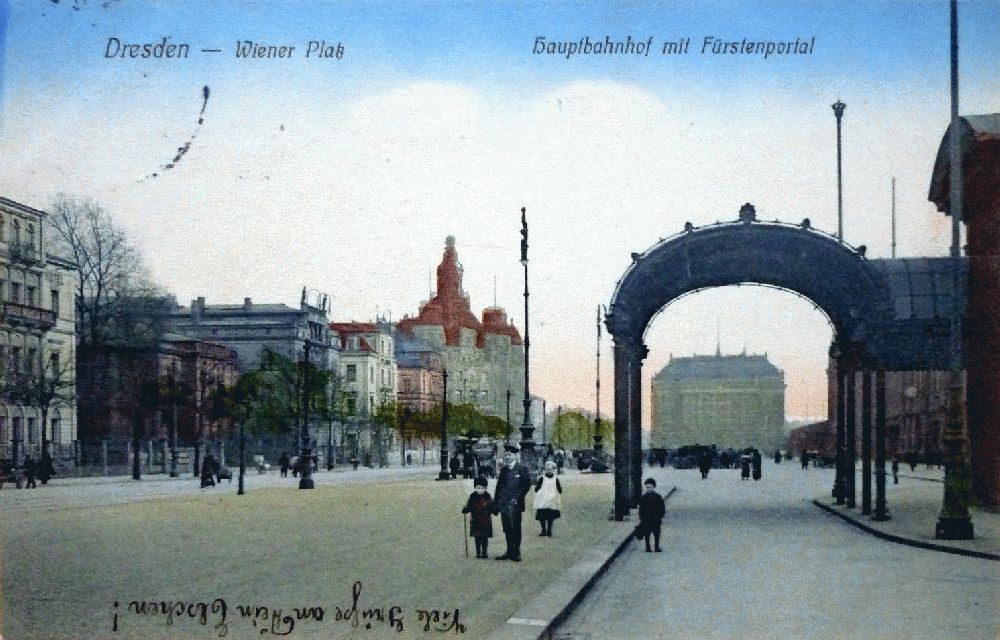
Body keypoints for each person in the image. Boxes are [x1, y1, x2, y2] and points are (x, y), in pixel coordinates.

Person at [492, 444, 530, 561]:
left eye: (510, 455)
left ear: (515, 455)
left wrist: (517, 497)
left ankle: (516, 552)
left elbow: (526, 486)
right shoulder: (504, 470)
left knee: (516, 527)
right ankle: (509, 551)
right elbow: (499, 487)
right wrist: (496, 503)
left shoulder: (522, 469)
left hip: (515, 504)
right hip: (504, 503)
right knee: (507, 527)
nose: (507, 457)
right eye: (506, 455)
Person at [462, 476, 495, 559]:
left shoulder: (487, 496)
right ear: (475, 487)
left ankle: (484, 552)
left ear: (485, 488)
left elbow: (491, 506)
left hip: (486, 520)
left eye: (483, 488)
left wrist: (495, 510)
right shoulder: (472, 496)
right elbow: (469, 505)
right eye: (478, 488)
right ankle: (478, 552)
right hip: (475, 520)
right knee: (477, 537)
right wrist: (466, 509)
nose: (480, 490)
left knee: (484, 537)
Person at [533, 461, 563, 537]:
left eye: (550, 469)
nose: (549, 471)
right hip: (543, 499)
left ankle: (549, 530)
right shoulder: (542, 479)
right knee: (542, 515)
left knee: (550, 515)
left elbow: (559, 489)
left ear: (553, 470)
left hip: (552, 499)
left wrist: (557, 492)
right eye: (547, 469)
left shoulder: (555, 479)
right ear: (545, 470)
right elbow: (537, 488)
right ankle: (543, 530)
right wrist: (539, 492)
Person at [637, 477, 665, 552]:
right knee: (647, 534)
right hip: (646, 519)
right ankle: (648, 547)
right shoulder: (644, 497)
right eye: (647, 487)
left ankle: (656, 547)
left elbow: (662, 507)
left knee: (656, 534)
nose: (649, 489)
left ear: (653, 487)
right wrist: (641, 517)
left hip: (656, 519)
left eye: (650, 487)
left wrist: (660, 516)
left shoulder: (658, 497)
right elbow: (641, 509)